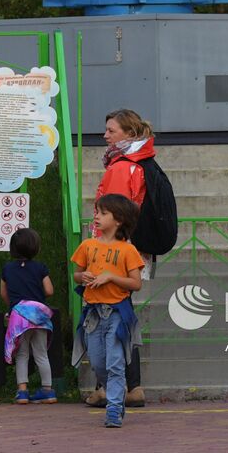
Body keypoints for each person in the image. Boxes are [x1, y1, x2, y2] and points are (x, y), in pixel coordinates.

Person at [85, 108, 154, 408]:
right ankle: (131, 386)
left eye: (111, 131)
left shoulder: (121, 167)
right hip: (131, 249)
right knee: (121, 315)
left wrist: (98, 252)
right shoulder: (140, 161)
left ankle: (109, 387)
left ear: (128, 133)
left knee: (106, 319)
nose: (105, 136)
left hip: (111, 253)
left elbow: (110, 214)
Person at [71, 194, 144, 429]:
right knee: (98, 361)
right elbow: (76, 274)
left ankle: (113, 408)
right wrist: (83, 277)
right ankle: (115, 392)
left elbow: (136, 283)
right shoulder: (87, 246)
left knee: (115, 361)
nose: (97, 216)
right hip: (92, 314)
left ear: (119, 220)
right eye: (96, 212)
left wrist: (111, 277)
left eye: (103, 213)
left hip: (116, 314)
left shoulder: (127, 250)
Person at [1, 227, 57, 405]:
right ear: (35, 248)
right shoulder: (40, 268)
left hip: (19, 317)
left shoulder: (8, 269)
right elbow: (49, 290)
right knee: (41, 354)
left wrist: (13, 305)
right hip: (39, 316)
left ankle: (23, 391)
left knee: (22, 354)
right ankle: (47, 391)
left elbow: (3, 293)